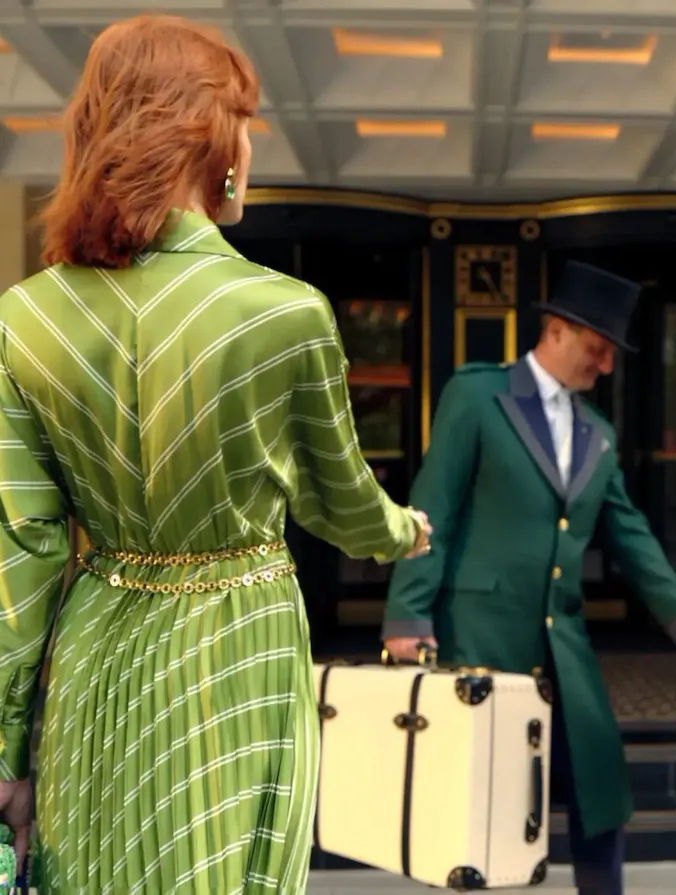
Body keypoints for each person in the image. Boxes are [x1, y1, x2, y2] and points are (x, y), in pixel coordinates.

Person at [0, 15, 431, 893]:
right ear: (211, 140)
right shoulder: (284, 312)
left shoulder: (26, 318)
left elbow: (24, 548)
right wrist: (403, 531)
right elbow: (337, 499)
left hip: (96, 649)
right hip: (237, 640)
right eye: (243, 122)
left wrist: (7, 747)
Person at [383, 261, 676, 895]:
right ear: (557, 330)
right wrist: (409, 618)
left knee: (602, 794)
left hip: (564, 648)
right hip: (481, 639)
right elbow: (430, 510)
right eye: (598, 349)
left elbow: (631, 536)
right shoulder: (476, 395)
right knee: (482, 814)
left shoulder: (598, 433)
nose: (605, 366)